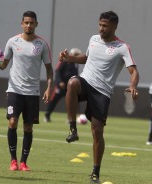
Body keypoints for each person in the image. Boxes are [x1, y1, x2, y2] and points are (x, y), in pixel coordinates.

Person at [59, 11, 139, 183]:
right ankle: (73, 129)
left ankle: (96, 171)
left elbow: (133, 71)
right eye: (100, 25)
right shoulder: (93, 39)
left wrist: (133, 85)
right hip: (86, 81)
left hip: (102, 91)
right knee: (72, 83)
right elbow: (87, 58)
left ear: (114, 26)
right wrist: (69, 58)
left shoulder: (122, 47)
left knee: (97, 131)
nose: (101, 29)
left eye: (105, 26)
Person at [0, 11, 53, 171]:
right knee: (12, 121)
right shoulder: (12, 42)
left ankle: (23, 162)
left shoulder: (41, 44)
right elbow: (3, 65)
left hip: (33, 92)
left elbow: (49, 69)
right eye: (26, 22)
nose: (29, 25)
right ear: (21, 24)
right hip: (14, 90)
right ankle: (13, 161)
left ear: (36, 24)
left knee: (28, 127)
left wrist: (49, 88)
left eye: (32, 22)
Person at [44, 48, 81, 122]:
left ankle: (70, 118)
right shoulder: (64, 61)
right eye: (76, 55)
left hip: (70, 87)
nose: (77, 57)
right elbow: (58, 71)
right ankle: (47, 115)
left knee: (72, 102)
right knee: (53, 101)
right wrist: (60, 82)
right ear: (72, 54)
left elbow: (76, 74)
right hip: (61, 86)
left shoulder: (76, 64)